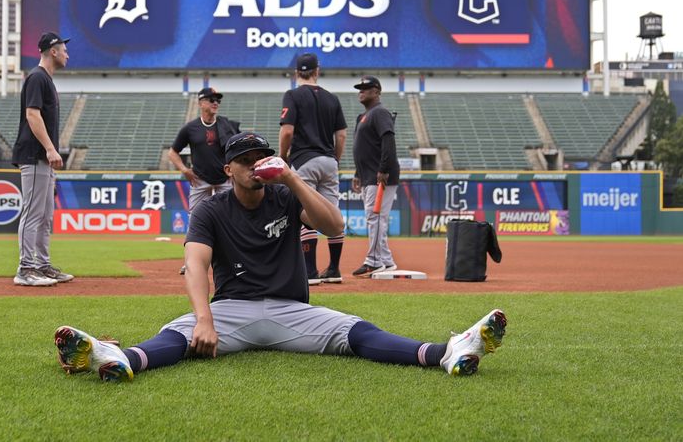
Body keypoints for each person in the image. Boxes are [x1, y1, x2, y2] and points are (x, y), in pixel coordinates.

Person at [54, 132, 507, 382]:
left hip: (293, 311)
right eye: (245, 160)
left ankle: (446, 353)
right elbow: (194, 264)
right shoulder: (211, 208)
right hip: (230, 311)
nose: (255, 165)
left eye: (261, 157)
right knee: (180, 334)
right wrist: (205, 319)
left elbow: (333, 227)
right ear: (227, 169)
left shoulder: (284, 195)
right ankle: (115, 358)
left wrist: (291, 178)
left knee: (356, 331)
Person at [11, 32, 74, 287]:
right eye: (64, 49)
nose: (67, 54)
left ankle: (42, 265)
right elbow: (32, 115)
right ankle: (25, 268)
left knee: (46, 215)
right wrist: (49, 148)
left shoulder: (45, 79)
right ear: (53, 51)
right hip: (35, 154)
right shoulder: (37, 77)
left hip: (43, 158)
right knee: (33, 212)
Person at [279, 53, 347, 285]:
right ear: (317, 71)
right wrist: (334, 159)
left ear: (297, 73)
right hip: (328, 160)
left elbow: (287, 131)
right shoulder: (332, 98)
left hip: (304, 159)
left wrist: (282, 157)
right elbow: (342, 135)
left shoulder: (293, 95)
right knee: (332, 214)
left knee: (306, 212)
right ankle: (335, 269)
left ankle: (310, 271)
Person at [168, 87, 240, 274]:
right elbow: (172, 152)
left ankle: (233, 259)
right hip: (200, 180)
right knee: (195, 219)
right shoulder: (190, 128)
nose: (215, 102)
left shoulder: (226, 125)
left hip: (224, 178)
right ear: (201, 103)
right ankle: (191, 261)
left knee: (230, 216)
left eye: (217, 100)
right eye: (211, 99)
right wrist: (184, 169)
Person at [350, 76, 401, 277]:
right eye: (360, 88)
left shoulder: (380, 112)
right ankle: (386, 260)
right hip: (368, 174)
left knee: (375, 216)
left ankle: (373, 260)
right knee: (375, 216)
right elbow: (362, 148)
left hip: (380, 175)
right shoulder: (363, 116)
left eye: (366, 88)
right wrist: (357, 173)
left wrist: (384, 169)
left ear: (377, 91)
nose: (361, 91)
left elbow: (388, 140)